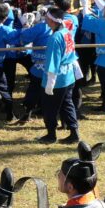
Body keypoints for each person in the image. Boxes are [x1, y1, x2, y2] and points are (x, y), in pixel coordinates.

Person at [38, 7, 79, 144]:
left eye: (47, 18)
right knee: (67, 104)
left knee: (49, 107)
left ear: (51, 20)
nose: (45, 19)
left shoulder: (55, 38)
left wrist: (50, 83)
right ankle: (74, 132)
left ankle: (51, 134)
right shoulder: (67, 31)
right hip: (68, 76)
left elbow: (52, 62)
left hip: (58, 79)